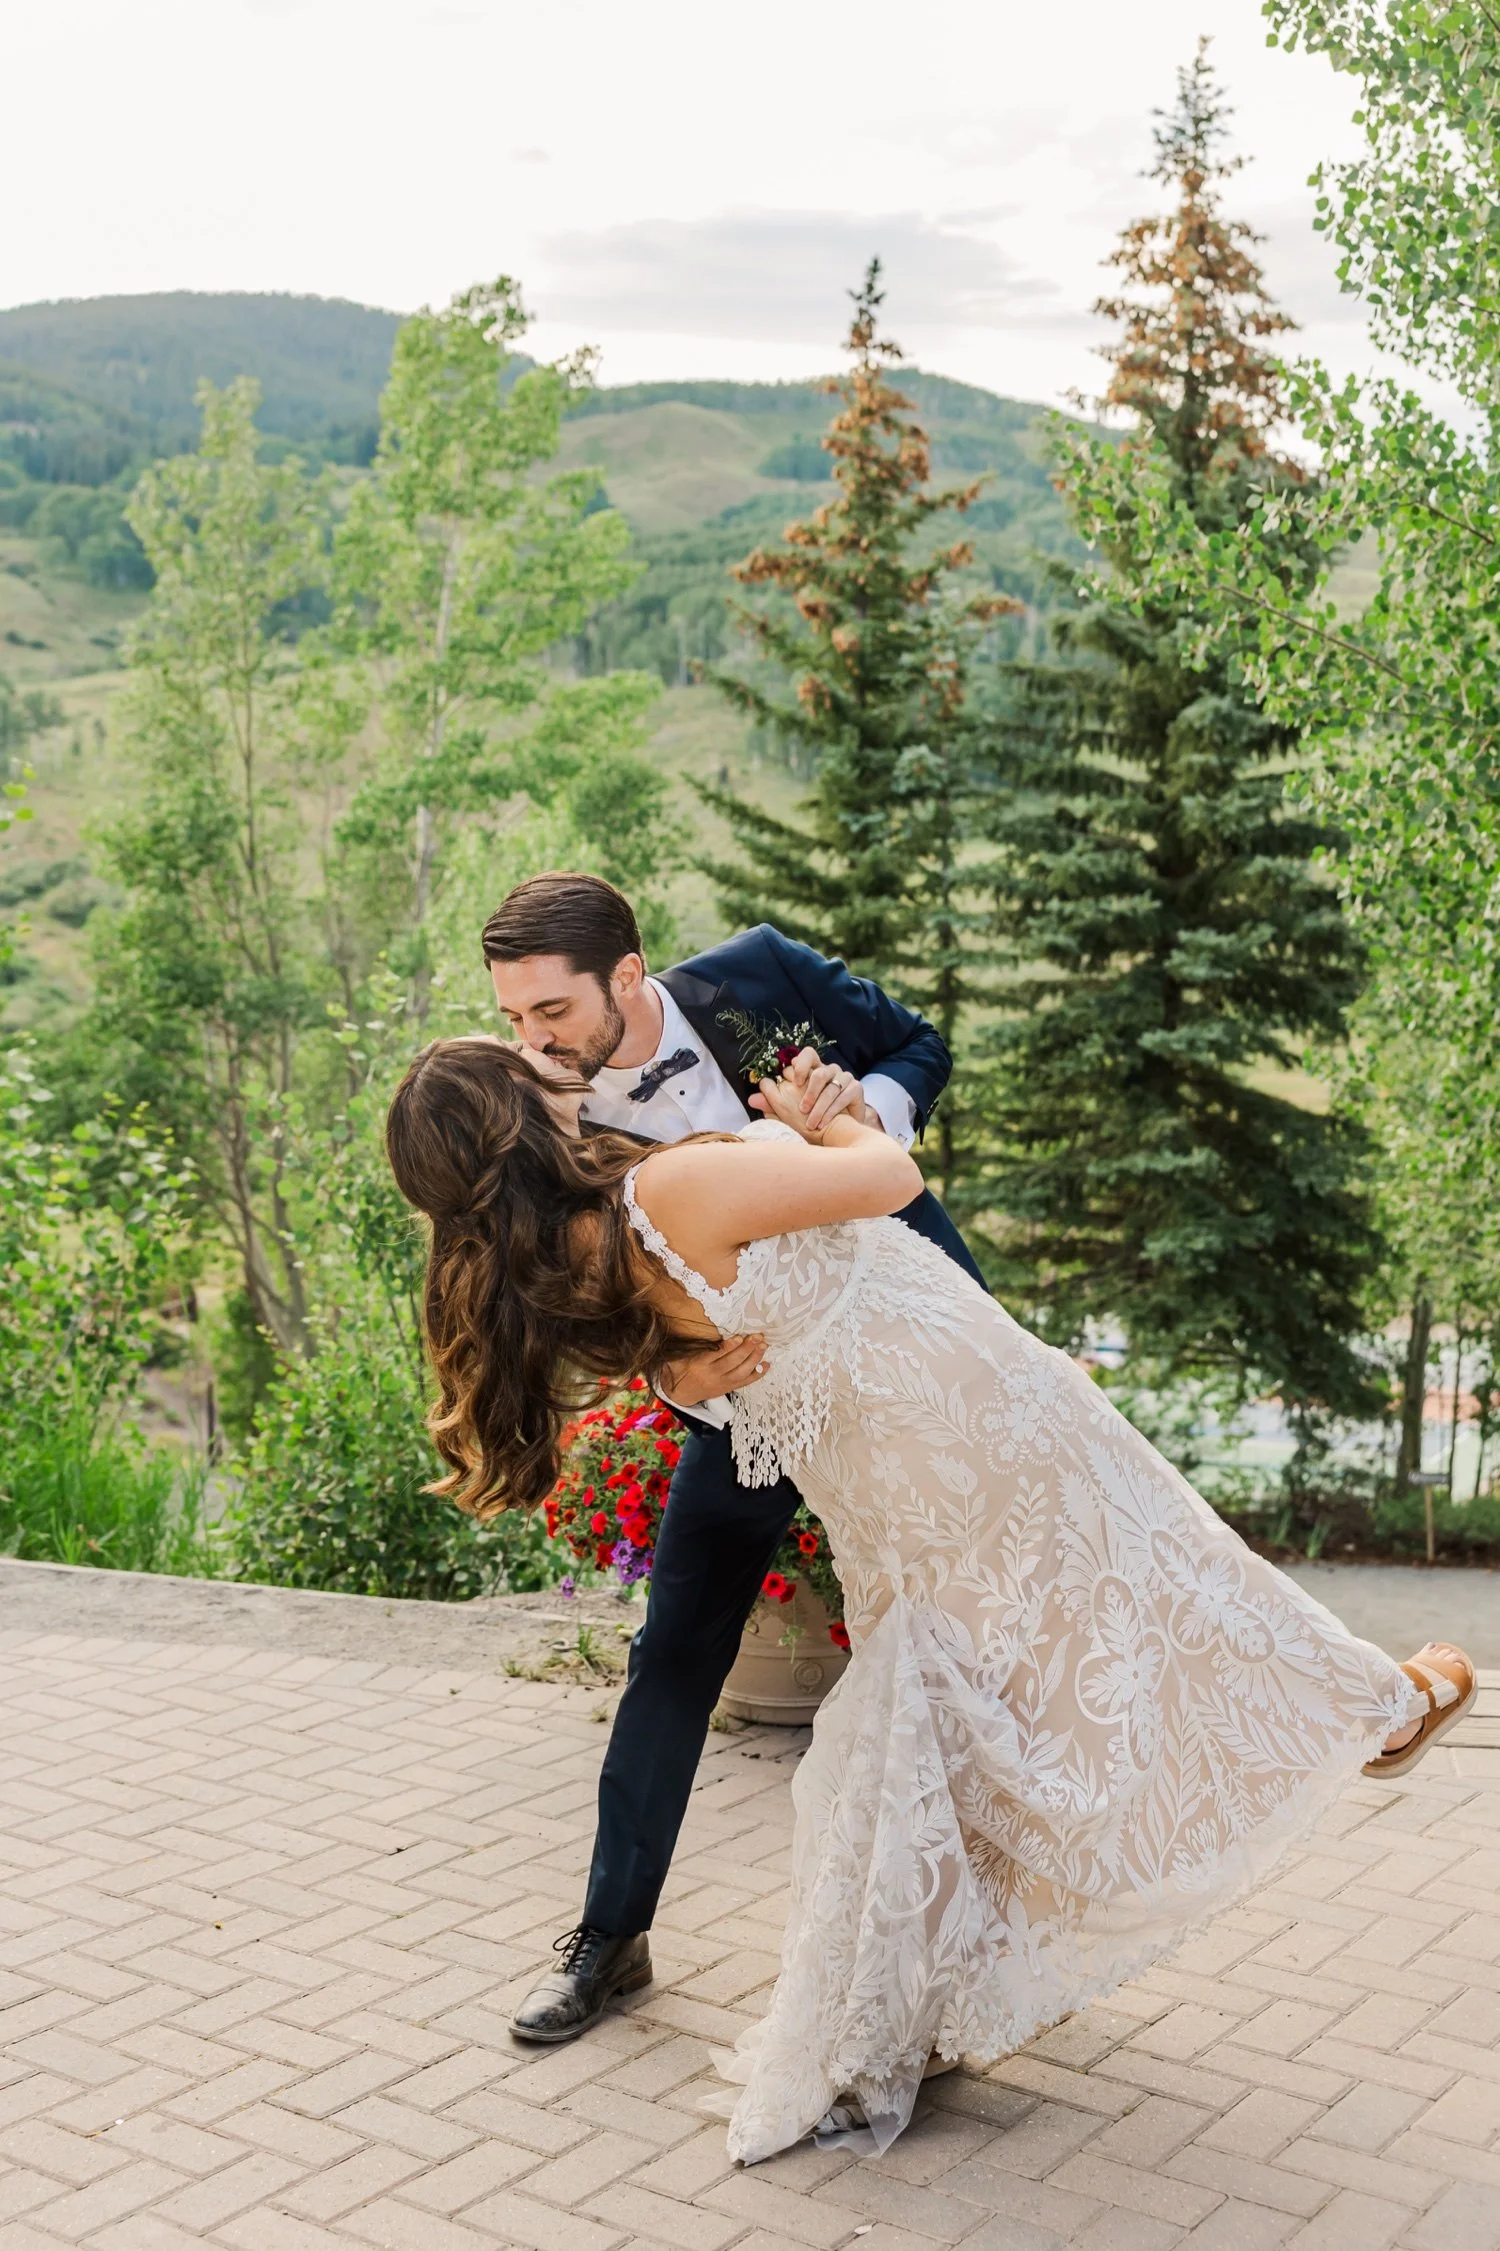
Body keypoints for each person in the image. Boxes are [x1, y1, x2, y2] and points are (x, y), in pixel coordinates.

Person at [385, 1032, 1477, 2164]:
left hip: (877, 1465)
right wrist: (829, 1122)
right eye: (522, 1063)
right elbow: (890, 1181)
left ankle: (916, 1997)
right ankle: (1374, 1709)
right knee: (1159, 1565)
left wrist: (674, 1367)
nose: (544, 1057)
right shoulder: (664, 1182)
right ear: (518, 1111)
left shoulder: (570, 1252)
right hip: (963, 1409)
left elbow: (674, 1352)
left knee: (956, 1682)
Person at [477, 872, 984, 2044]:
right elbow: (576, 1288)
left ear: (624, 973)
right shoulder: (537, 1115)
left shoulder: (757, 974)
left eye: (547, 1012)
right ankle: (611, 1938)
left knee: (964, 1640)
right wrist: (669, 1377)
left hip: (906, 1360)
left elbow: (920, 1045)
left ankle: (957, 1947)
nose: (531, 1039)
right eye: (510, 1017)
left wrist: (871, 1102)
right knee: (671, 1656)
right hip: (745, 1411)